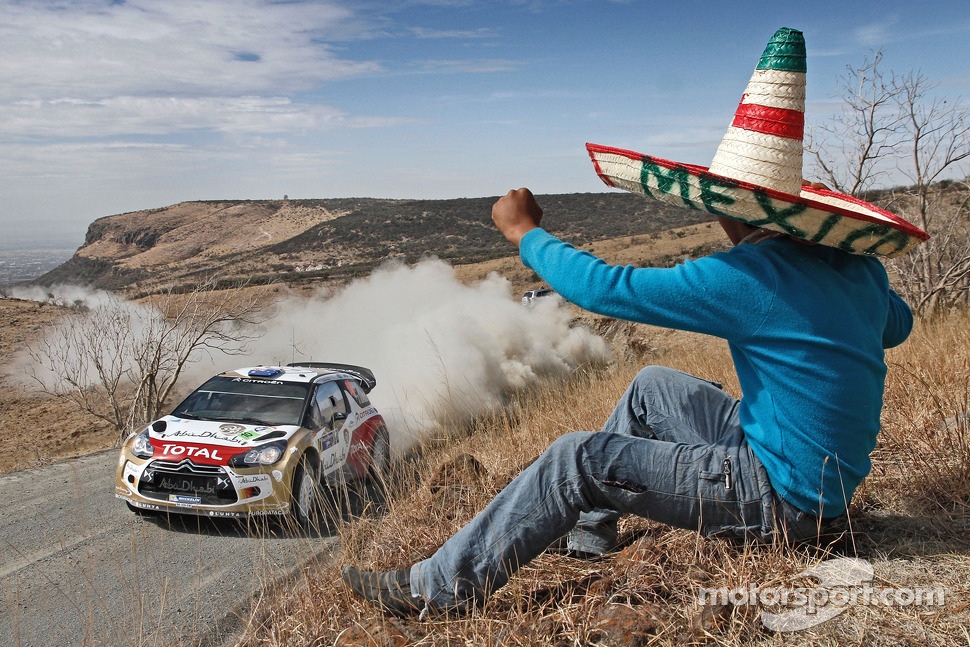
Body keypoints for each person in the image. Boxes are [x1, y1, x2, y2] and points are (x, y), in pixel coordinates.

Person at [341, 27, 928, 619]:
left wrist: (525, 233)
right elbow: (895, 327)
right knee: (651, 387)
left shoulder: (752, 275)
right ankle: (590, 531)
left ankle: (435, 589)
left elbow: (604, 288)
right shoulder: (860, 274)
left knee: (578, 458)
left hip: (779, 499)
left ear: (735, 210)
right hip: (811, 479)